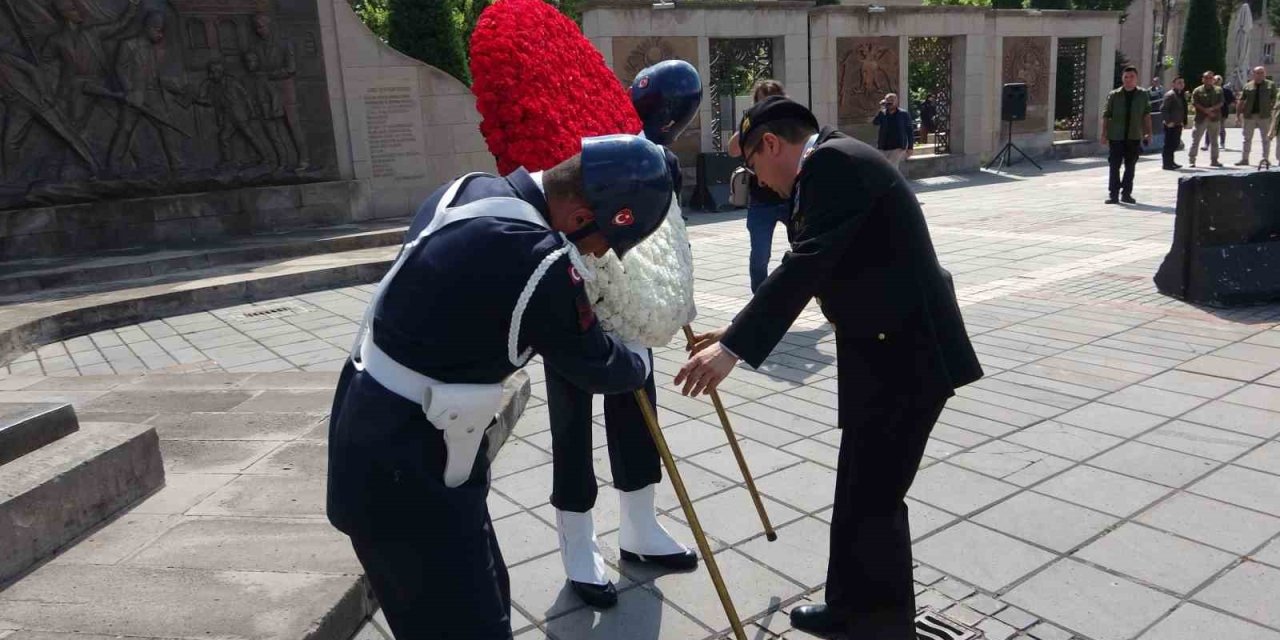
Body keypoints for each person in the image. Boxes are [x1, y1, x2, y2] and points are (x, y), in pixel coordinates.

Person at [327, 134, 673, 639]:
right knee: (468, 624)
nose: (600, 257)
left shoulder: (470, 188)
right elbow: (596, 364)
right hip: (409, 469)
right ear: (580, 219)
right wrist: (639, 359)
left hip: (380, 429)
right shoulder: (540, 258)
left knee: (480, 601)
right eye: (604, 244)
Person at [675, 96, 983, 639]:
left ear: (771, 145)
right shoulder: (831, 165)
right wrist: (734, 331)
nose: (759, 181)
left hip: (908, 358)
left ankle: (885, 629)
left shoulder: (832, 165)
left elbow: (807, 261)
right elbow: (823, 266)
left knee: (876, 499)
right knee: (856, 489)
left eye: (752, 166)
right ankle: (847, 609)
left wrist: (732, 351)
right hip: (880, 352)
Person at [545, 60, 701, 609]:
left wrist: (671, 293)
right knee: (572, 424)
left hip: (635, 300)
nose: (668, 122)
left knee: (639, 410)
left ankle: (639, 526)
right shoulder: (581, 136)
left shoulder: (663, 160)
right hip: (577, 289)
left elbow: (662, 229)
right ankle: (578, 546)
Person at [728, 79, 790, 293]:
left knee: (807, 249)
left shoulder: (791, 121)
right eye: (763, 103)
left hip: (790, 198)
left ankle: (823, 296)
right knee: (759, 258)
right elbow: (733, 150)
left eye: (773, 102)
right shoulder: (751, 124)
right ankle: (759, 305)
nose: (768, 108)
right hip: (762, 201)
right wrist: (751, 120)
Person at [1100, 66, 1152, 204]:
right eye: (1126, 77)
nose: (1128, 80)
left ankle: (1127, 193)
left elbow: (1146, 115)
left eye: (1131, 77)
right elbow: (1106, 115)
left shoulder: (1142, 95)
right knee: (1114, 165)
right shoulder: (1114, 95)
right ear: (1122, 78)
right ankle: (1113, 194)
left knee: (1130, 166)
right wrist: (1104, 133)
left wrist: (1148, 133)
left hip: (1134, 135)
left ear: (1136, 78)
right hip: (1116, 136)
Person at [1236, 66, 1277, 167]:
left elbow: (1275, 99)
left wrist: (1272, 110)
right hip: (1249, 116)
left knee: (1266, 139)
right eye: (1257, 73)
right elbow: (1241, 101)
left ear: (1265, 74)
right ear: (1253, 74)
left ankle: (1265, 159)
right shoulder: (1248, 86)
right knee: (1247, 138)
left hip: (1265, 115)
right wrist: (1238, 115)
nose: (1260, 75)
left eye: (1262, 73)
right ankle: (1244, 159)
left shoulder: (1270, 85)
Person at [1188, 70, 1224, 168]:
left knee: (1214, 141)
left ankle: (1214, 160)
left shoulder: (1218, 90)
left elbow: (1221, 102)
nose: (1208, 80)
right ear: (1203, 79)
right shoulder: (1197, 90)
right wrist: (1205, 110)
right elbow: (1194, 102)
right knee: (1196, 140)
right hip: (1201, 118)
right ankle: (1192, 160)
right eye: (1206, 78)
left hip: (1214, 118)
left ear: (1213, 79)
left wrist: (1211, 109)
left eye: (1210, 78)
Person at [871, 92, 914, 170]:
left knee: (891, 167)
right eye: (887, 100)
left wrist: (910, 147)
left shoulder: (904, 114)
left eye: (892, 100)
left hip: (898, 146)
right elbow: (875, 122)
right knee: (884, 167)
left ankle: (891, 181)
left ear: (896, 101)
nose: (889, 102)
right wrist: (880, 109)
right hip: (883, 145)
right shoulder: (882, 113)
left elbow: (909, 131)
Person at [1161, 76, 1187, 170]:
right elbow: (1164, 109)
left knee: (1175, 143)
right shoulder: (1170, 95)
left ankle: (1171, 162)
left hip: (1178, 123)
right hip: (1170, 124)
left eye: (1182, 82)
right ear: (1174, 84)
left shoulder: (1180, 95)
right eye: (1179, 82)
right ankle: (1166, 164)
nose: (1181, 84)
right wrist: (1168, 121)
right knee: (1169, 144)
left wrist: (1184, 121)